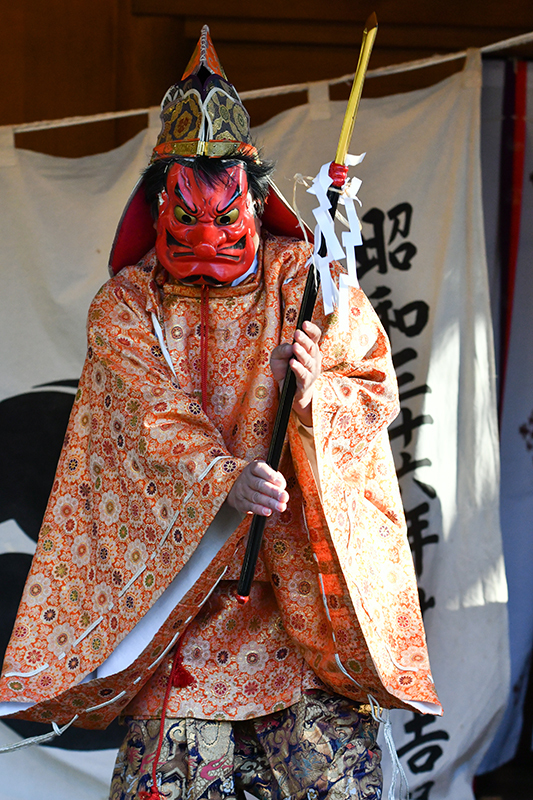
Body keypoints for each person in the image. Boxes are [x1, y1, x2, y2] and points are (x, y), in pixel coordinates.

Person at [0, 27, 440, 800]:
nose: (206, 237)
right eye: (185, 215)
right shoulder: (127, 306)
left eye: (225, 216)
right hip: (184, 611)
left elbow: (369, 387)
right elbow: (148, 418)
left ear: (255, 199)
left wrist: (317, 390)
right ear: (156, 204)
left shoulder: (304, 279)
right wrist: (221, 477)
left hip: (299, 607)